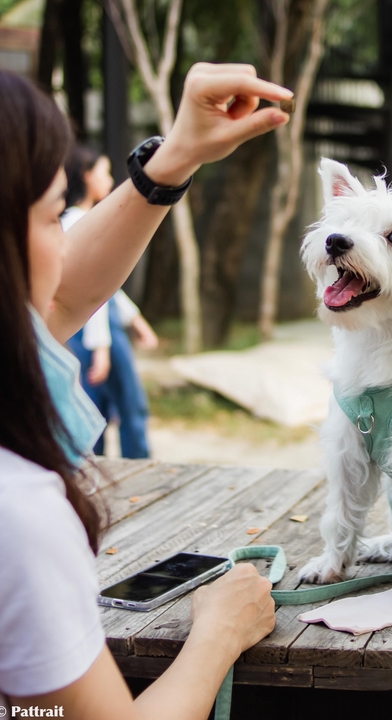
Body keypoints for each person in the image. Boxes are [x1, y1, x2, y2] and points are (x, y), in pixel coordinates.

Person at [0, 63, 292, 717]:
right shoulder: (17, 512)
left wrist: (175, 157)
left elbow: (64, 289)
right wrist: (219, 633)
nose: (63, 242)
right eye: (55, 218)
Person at [63, 144, 156, 458]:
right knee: (129, 404)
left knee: (98, 405)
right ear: (86, 177)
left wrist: (135, 319)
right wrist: (102, 346)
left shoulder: (81, 219)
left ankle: (97, 465)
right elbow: (93, 293)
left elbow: (109, 286)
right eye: (103, 172)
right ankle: (138, 462)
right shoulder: (77, 221)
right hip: (96, 329)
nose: (109, 179)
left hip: (99, 325)